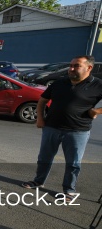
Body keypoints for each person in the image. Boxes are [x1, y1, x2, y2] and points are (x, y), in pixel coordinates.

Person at [21, 55, 102, 200]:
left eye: (76, 66)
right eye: (71, 65)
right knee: (44, 157)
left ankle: (69, 190)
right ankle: (39, 181)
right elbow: (42, 100)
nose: (71, 69)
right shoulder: (59, 82)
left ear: (89, 68)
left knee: (73, 163)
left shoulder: (97, 85)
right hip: (52, 127)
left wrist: (97, 111)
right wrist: (40, 118)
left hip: (78, 130)